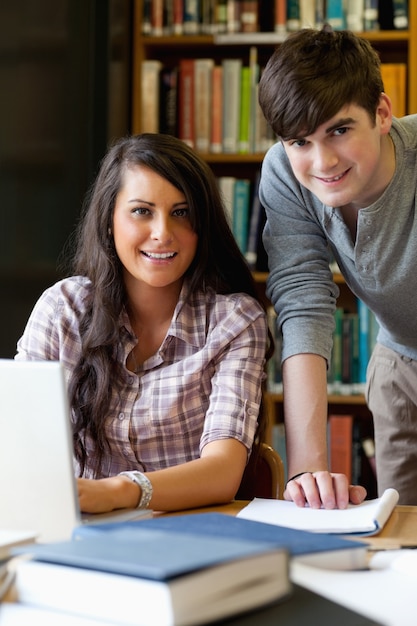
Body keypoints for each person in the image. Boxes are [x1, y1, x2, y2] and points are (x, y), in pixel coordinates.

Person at [15, 133, 271, 514]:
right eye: (141, 211)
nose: (163, 233)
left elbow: (223, 471)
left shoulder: (234, 322)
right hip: (72, 532)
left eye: (181, 213)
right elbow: (19, 444)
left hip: (189, 536)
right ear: (109, 220)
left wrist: (118, 492)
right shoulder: (62, 309)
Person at [258, 24, 417, 508]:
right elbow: (303, 304)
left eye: (339, 131)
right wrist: (309, 473)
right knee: (400, 535)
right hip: (398, 358)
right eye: (300, 141)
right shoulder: (284, 173)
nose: (322, 161)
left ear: (382, 113)